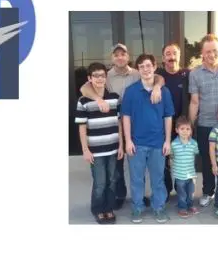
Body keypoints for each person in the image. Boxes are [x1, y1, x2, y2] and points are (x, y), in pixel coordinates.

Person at [80, 43, 166, 209]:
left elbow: (159, 78)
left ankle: (140, 196)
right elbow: (84, 87)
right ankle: (119, 194)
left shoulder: (137, 72)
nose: (120, 57)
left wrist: (156, 86)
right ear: (112, 58)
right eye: (116, 55)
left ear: (128, 56)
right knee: (117, 163)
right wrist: (98, 100)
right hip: (115, 121)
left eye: (123, 54)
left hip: (137, 122)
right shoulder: (106, 75)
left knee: (139, 164)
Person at [121, 54, 175, 224]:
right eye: (142, 66)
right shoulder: (131, 91)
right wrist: (128, 140)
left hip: (158, 144)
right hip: (136, 143)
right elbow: (126, 117)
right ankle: (137, 208)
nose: (145, 69)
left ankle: (158, 207)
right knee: (137, 179)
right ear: (138, 69)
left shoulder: (164, 92)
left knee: (158, 179)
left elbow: (168, 117)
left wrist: (167, 141)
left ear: (154, 67)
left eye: (148, 66)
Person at [189, 34, 218, 207]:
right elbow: (194, 102)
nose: (212, 54)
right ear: (202, 53)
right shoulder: (195, 74)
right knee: (207, 161)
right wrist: (192, 125)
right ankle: (208, 191)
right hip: (205, 124)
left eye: (215, 51)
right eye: (208, 51)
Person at [74, 63, 123, 224]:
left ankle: (108, 208)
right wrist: (85, 150)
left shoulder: (114, 98)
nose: (99, 78)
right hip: (95, 151)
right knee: (100, 182)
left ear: (106, 78)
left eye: (102, 75)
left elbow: (120, 123)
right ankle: (98, 209)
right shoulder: (83, 101)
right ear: (89, 78)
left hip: (113, 148)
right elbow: (82, 128)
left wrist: (121, 145)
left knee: (112, 180)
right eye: (95, 76)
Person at [157, 43, 190, 202]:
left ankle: (181, 190)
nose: (171, 57)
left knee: (181, 159)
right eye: (167, 54)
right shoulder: (157, 75)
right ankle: (166, 189)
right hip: (162, 126)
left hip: (183, 126)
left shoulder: (187, 74)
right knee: (163, 160)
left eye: (174, 53)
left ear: (179, 55)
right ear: (163, 58)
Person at [170, 117, 199, 218]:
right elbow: (172, 156)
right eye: (182, 129)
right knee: (182, 194)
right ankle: (182, 207)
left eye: (188, 129)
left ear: (191, 130)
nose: (185, 132)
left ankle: (190, 205)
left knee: (190, 192)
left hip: (190, 174)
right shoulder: (173, 144)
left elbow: (195, 154)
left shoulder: (194, 144)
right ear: (177, 130)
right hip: (179, 174)